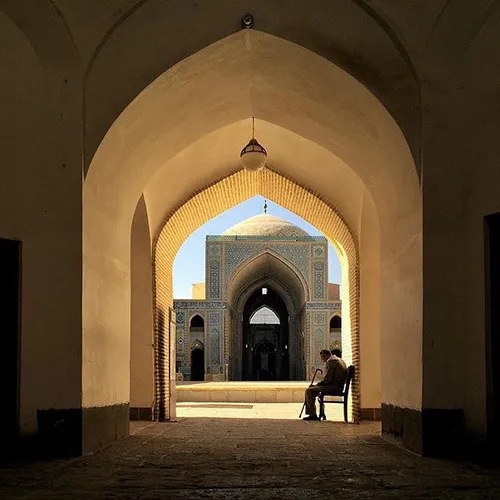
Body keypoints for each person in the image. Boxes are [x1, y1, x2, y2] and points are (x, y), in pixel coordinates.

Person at [303, 348, 347, 421]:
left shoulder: (332, 362)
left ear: (325, 356)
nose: (322, 360)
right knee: (314, 390)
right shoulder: (338, 360)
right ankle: (321, 413)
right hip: (337, 385)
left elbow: (328, 379)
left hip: (334, 387)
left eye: (322, 357)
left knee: (309, 391)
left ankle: (312, 415)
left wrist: (317, 385)